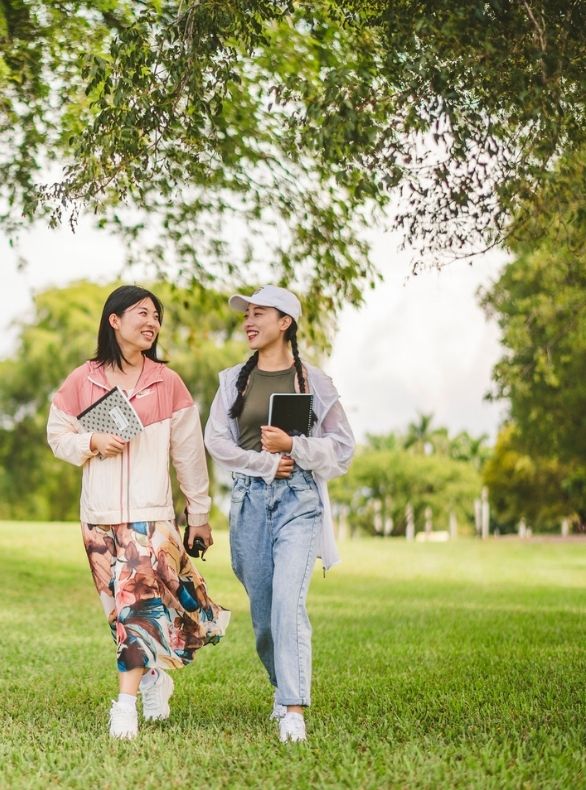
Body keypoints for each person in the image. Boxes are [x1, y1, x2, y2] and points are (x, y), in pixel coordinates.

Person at [47, 285, 230, 740]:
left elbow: (188, 455)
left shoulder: (168, 383)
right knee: (118, 614)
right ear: (114, 320)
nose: (152, 323)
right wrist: (91, 442)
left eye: (156, 317)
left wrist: (199, 513)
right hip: (98, 516)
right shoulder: (82, 380)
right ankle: (153, 677)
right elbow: (57, 435)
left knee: (137, 609)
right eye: (142, 314)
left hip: (150, 518)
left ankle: (125, 706)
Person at [204, 285, 354, 743]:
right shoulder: (233, 379)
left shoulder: (315, 380)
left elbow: (343, 448)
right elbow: (217, 441)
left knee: (289, 604)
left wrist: (294, 447)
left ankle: (293, 708)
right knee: (265, 619)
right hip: (249, 500)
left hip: (299, 501)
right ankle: (281, 687)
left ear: (285, 322)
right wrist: (266, 461)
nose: (249, 321)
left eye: (259, 314)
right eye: (246, 314)